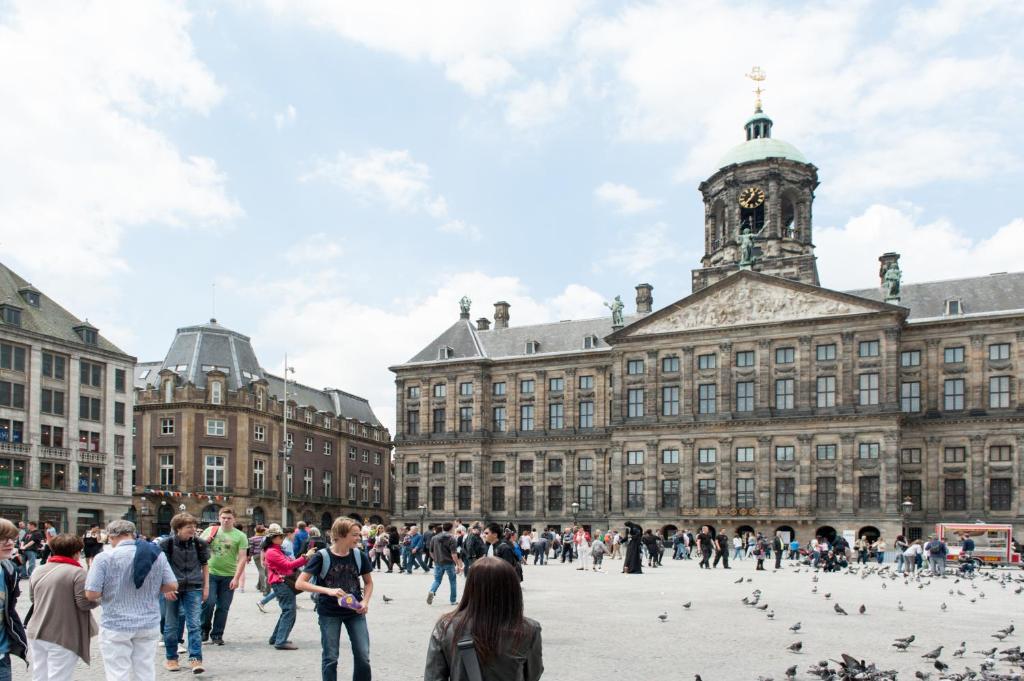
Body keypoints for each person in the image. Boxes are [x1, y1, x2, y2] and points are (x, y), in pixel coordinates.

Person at [84, 519, 178, 681]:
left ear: (112, 537)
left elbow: (92, 593)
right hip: (148, 622)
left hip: (116, 623)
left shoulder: (104, 558)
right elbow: (172, 585)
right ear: (132, 534)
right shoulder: (156, 555)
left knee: (117, 672)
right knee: (145, 669)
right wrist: (152, 588)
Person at [423, 557, 543, 681]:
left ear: (470, 587)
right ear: (513, 589)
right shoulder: (529, 629)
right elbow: (533, 674)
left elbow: (433, 676)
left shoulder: (446, 626)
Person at [297, 518, 373, 681]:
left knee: (363, 656)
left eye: (359, 534)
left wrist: (365, 601)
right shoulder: (322, 556)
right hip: (329, 613)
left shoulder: (359, 555)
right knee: (330, 658)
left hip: (355, 611)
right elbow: (300, 583)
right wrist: (328, 591)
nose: (358, 538)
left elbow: (368, 583)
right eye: (354, 535)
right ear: (341, 535)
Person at [27, 533, 99, 680]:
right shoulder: (78, 572)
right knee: (59, 677)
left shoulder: (38, 570)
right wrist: (99, 599)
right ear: (77, 552)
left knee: (40, 675)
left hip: (36, 630)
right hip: (62, 634)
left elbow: (33, 598)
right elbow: (84, 603)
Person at [159, 513, 210, 673]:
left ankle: (196, 659)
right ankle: (171, 658)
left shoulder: (199, 543)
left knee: (194, 624)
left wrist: (206, 587)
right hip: (172, 588)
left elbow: (205, 566)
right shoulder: (165, 544)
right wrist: (165, 588)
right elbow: (160, 568)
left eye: (194, 526)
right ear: (178, 529)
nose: (193, 530)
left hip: (194, 587)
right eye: (189, 527)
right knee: (171, 625)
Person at [199, 507, 248, 645]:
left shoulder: (240, 536)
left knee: (223, 606)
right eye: (223, 517)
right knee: (208, 603)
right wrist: (205, 541)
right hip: (210, 573)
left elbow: (243, 558)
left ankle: (217, 634)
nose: (226, 520)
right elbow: (197, 548)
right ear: (219, 518)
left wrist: (236, 578)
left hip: (229, 575)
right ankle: (203, 630)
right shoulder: (210, 531)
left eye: (229, 518)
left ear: (234, 519)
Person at [263, 524, 315, 650]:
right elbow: (288, 565)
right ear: (273, 538)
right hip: (281, 582)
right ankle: (280, 641)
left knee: (286, 611)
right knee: (289, 612)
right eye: (280, 536)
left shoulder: (275, 549)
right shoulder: (272, 551)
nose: (282, 538)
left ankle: (276, 638)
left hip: (281, 582)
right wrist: (306, 557)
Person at [0, 518, 28, 681]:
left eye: (11, 538)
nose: (9, 543)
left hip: (2, 657)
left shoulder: (8, 570)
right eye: (2, 538)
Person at [427, 522, 463, 606]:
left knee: (437, 580)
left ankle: (432, 591)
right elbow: (454, 554)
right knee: (453, 582)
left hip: (438, 562)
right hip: (449, 563)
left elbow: (431, 552)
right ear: (451, 528)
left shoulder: (434, 538)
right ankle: (453, 600)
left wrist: (435, 559)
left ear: (443, 528)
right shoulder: (452, 538)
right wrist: (458, 565)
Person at [249, 525, 269, 595]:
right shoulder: (266, 538)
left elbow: (251, 549)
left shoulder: (252, 539)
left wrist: (249, 557)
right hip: (265, 555)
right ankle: (259, 585)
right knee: (262, 570)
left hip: (256, 555)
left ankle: (263, 587)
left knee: (261, 570)